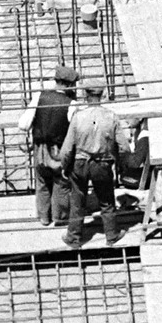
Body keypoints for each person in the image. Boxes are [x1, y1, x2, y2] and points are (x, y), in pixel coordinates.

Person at [60, 77, 126, 248]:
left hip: (80, 164)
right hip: (102, 164)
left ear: (85, 94)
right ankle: (111, 235)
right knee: (106, 201)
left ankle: (74, 238)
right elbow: (124, 146)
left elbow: (67, 149)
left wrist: (65, 166)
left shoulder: (78, 117)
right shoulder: (111, 117)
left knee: (77, 201)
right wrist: (117, 161)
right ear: (102, 94)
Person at [29, 65, 78, 226]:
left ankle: (44, 217)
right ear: (69, 84)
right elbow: (75, 130)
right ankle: (60, 218)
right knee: (61, 182)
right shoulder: (71, 104)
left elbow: (23, 124)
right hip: (59, 148)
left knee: (42, 182)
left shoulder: (39, 96)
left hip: (40, 147)